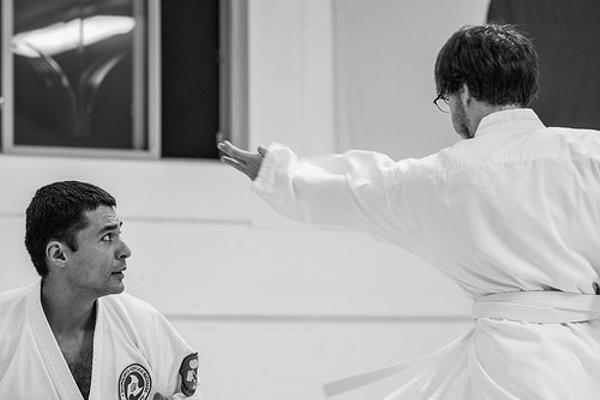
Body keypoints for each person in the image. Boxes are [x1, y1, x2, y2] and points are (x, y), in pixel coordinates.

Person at [218, 23, 600, 399]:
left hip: (507, 367)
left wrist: (277, 173)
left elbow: (358, 188)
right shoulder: (590, 154)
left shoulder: (444, 177)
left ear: (465, 93)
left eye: (447, 99)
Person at [0, 181, 200, 400]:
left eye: (119, 234)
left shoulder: (143, 324)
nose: (125, 251)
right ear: (59, 254)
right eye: (107, 237)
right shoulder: (5, 325)